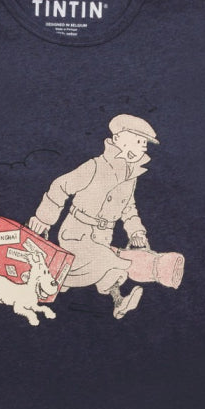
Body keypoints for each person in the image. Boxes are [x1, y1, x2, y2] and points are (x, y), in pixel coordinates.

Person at [27, 113, 159, 319]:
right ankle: (50, 282)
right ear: (117, 139)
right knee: (108, 260)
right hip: (77, 233)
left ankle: (119, 302)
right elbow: (61, 186)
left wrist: (136, 232)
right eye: (137, 140)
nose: (142, 147)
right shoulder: (95, 166)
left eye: (144, 144)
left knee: (111, 271)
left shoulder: (131, 177)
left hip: (103, 237)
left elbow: (128, 208)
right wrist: (44, 218)